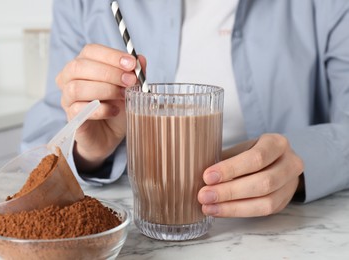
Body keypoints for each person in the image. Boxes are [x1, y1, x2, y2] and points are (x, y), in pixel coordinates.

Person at [21, 0, 349, 218]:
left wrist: (299, 164)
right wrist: (89, 150)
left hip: (281, 228)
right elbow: (39, 144)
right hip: (144, 223)